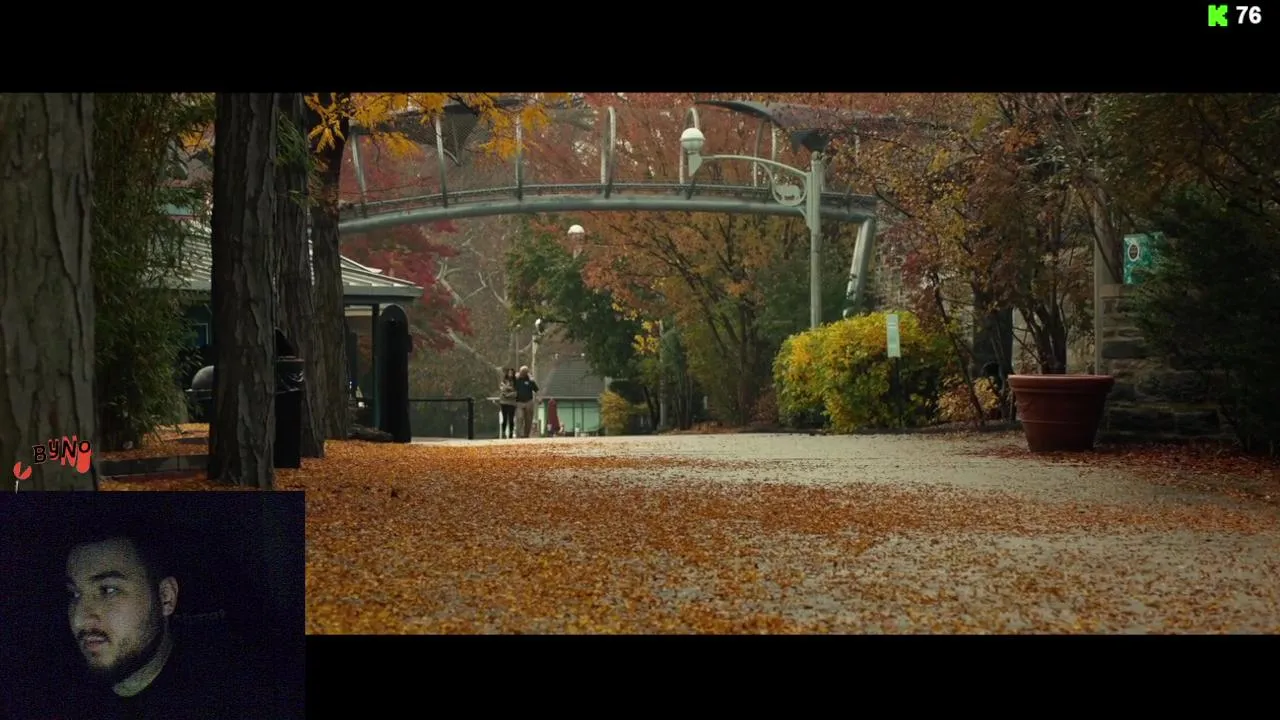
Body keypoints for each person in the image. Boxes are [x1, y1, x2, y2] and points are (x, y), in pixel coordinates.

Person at [59, 519, 269, 720]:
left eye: (108, 590)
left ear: (165, 597)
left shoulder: (239, 698)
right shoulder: (61, 696)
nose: (79, 620)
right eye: (74, 594)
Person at [514, 365, 540, 438]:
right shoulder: (515, 379)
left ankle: (526, 435)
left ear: (526, 373)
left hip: (529, 402)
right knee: (519, 417)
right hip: (519, 402)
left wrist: (539, 398)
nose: (522, 374)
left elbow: (536, 390)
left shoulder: (530, 380)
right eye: (521, 372)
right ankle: (519, 435)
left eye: (524, 373)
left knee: (528, 420)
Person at [498, 368, 518, 439]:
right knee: (505, 418)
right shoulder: (503, 381)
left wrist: (508, 392)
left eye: (512, 373)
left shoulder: (516, 382)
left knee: (511, 419)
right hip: (504, 402)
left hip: (512, 403)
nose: (510, 374)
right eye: (509, 373)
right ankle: (503, 433)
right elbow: (503, 390)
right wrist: (509, 390)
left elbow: (516, 393)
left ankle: (511, 433)